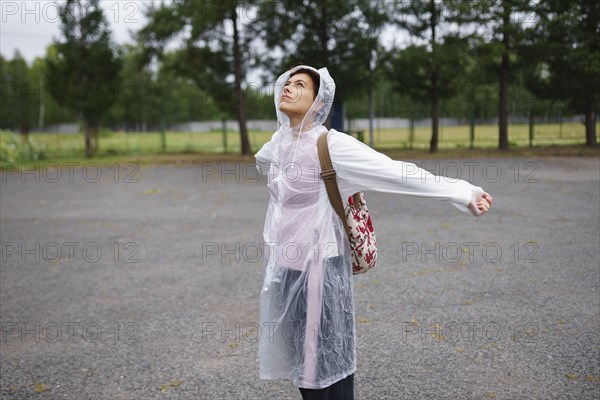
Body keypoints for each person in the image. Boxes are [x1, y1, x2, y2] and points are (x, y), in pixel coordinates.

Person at [254, 65, 493, 400]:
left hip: (319, 267)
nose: (288, 89)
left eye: (300, 85)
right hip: (285, 267)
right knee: (301, 359)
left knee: (322, 361)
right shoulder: (279, 143)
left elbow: (398, 173)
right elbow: (262, 161)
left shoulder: (331, 145)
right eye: (286, 83)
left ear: (319, 102)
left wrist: (463, 193)